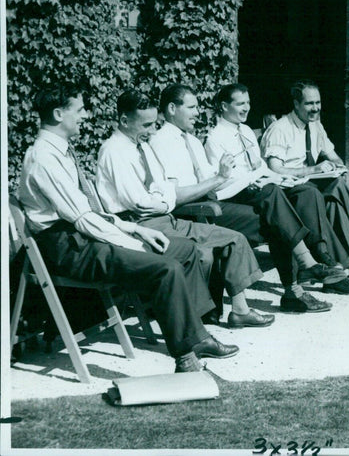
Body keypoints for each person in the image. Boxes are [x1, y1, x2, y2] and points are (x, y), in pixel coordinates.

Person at [17, 84, 235, 372]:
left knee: (184, 249)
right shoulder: (44, 158)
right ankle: (185, 357)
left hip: (81, 236)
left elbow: (91, 211)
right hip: (67, 247)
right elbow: (82, 218)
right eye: (80, 109)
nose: (86, 115)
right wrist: (127, 241)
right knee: (164, 267)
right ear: (59, 114)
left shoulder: (60, 151)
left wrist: (137, 230)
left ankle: (196, 334)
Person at [149, 83, 337, 314]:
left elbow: (214, 177)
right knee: (277, 214)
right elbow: (180, 193)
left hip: (214, 202)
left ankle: (297, 284)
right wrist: (223, 178)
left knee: (279, 210)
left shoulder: (192, 141)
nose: (198, 112)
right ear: (171, 109)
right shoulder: (162, 142)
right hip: (196, 211)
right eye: (192, 107)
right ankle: (297, 282)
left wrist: (244, 177)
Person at [96, 88, 271, 329]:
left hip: (165, 217)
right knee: (201, 252)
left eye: (152, 124)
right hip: (140, 226)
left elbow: (166, 186)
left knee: (233, 239)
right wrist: (163, 200)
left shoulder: (143, 146)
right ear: (124, 121)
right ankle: (198, 321)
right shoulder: (113, 151)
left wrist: (163, 200)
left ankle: (240, 310)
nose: (151, 131)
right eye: (145, 125)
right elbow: (137, 202)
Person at [206, 83, 349, 294]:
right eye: (240, 104)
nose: (247, 108)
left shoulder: (247, 131)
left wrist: (281, 178)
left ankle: (323, 257)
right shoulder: (215, 138)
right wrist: (261, 179)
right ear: (224, 106)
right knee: (279, 195)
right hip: (240, 195)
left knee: (308, 192)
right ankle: (315, 266)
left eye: (248, 103)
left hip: (264, 187)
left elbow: (261, 168)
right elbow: (221, 181)